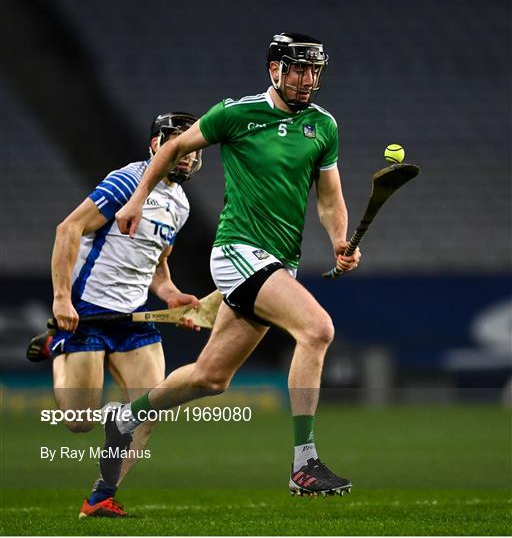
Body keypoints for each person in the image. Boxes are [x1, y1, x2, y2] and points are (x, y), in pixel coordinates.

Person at [103, 33, 361, 497]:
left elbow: (329, 198)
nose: (308, 80)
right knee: (317, 330)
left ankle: (128, 414)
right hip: (238, 252)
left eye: (315, 71)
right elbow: (171, 148)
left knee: (211, 378)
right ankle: (304, 464)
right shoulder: (236, 114)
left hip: (279, 262)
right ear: (274, 70)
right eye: (299, 69)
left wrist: (340, 239)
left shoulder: (324, 126)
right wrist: (137, 200)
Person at [48, 112, 203, 518]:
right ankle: (54, 345)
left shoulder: (181, 204)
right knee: (79, 422)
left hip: (133, 317)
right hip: (87, 313)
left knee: (148, 409)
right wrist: (62, 300)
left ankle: (101, 496)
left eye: (192, 147)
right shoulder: (126, 180)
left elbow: (155, 260)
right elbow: (69, 229)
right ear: (157, 144)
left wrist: (169, 294)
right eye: (179, 143)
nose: (187, 154)